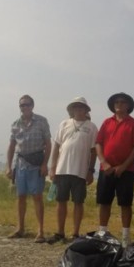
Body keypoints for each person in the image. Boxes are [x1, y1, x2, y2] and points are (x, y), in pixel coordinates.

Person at [95, 92, 134, 246]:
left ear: (128, 106)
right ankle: (102, 233)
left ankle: (125, 237)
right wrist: (104, 162)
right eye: (116, 102)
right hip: (106, 169)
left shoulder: (133, 123)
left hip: (126, 171)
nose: (119, 104)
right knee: (104, 202)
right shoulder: (106, 122)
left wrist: (123, 166)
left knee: (125, 204)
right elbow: (98, 143)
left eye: (122, 102)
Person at [49, 97, 98, 243]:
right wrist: (52, 167)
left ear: (86, 110)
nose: (78, 110)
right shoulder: (64, 124)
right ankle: (60, 232)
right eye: (75, 107)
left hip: (80, 172)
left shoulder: (92, 127)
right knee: (61, 201)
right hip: (62, 169)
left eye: (81, 107)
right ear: (72, 110)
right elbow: (56, 146)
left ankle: (75, 233)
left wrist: (90, 171)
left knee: (78, 202)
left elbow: (94, 150)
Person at [4, 95, 52, 243]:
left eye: (27, 104)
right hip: (21, 165)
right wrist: (8, 166)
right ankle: (20, 228)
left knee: (37, 197)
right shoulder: (15, 124)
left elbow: (48, 144)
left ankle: (40, 231)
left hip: (36, 164)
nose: (24, 107)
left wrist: (45, 164)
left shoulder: (41, 121)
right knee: (21, 197)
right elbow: (12, 146)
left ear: (32, 105)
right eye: (21, 105)